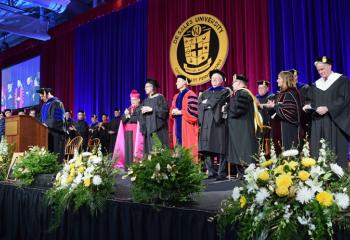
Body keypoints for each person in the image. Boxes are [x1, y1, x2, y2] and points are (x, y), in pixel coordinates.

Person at [304, 56, 350, 168]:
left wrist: (328, 108)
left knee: (335, 151)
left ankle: (338, 180)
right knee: (319, 150)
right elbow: (311, 100)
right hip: (319, 122)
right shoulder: (315, 85)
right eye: (319, 70)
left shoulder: (341, 80)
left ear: (330, 66)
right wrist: (308, 106)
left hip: (335, 122)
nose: (320, 72)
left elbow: (345, 100)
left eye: (322, 69)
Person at [198, 69, 230, 180]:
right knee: (206, 148)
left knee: (221, 147)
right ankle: (211, 172)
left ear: (221, 81)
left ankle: (221, 172)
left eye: (216, 79)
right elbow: (200, 105)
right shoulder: (206, 92)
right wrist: (208, 104)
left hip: (218, 123)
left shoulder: (225, 91)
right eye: (212, 79)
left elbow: (218, 102)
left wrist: (207, 103)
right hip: (206, 123)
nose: (214, 81)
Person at [226, 74, 260, 178]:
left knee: (244, 152)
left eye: (234, 82)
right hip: (240, 129)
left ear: (239, 83)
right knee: (241, 152)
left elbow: (237, 110)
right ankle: (243, 175)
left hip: (242, 129)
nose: (232, 84)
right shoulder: (241, 94)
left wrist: (227, 107)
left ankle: (245, 175)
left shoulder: (243, 93)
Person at [265, 71, 303, 153]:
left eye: (279, 78)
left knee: (289, 158)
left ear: (285, 80)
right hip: (280, 130)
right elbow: (278, 111)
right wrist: (271, 108)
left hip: (288, 131)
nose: (277, 80)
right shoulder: (281, 94)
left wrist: (274, 106)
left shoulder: (291, 93)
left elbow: (291, 113)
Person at [170, 75, 199, 162]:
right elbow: (172, 108)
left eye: (178, 81)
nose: (176, 83)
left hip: (187, 125)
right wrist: (173, 112)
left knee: (188, 147)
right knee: (178, 146)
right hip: (177, 125)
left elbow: (194, 112)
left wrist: (181, 112)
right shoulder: (176, 96)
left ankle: (190, 170)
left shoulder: (191, 94)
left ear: (184, 82)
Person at [114, 89, 143, 168]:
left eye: (134, 100)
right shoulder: (129, 109)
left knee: (135, 147)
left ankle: (136, 164)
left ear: (138, 100)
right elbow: (122, 120)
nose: (132, 102)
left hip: (136, 131)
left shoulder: (141, 108)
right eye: (131, 100)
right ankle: (128, 164)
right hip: (128, 131)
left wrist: (129, 117)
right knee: (128, 147)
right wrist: (126, 115)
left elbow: (138, 119)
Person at [139, 79, 169, 155]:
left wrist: (152, 109)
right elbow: (140, 116)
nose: (145, 88)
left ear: (152, 88)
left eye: (147, 87)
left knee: (159, 149)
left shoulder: (160, 98)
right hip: (148, 130)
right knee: (149, 152)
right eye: (145, 87)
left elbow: (164, 111)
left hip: (158, 130)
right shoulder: (145, 101)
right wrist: (141, 112)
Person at [37, 88, 65, 162]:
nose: (41, 98)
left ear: (47, 94)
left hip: (56, 134)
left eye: (42, 96)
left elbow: (58, 119)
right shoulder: (44, 105)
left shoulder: (57, 103)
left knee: (56, 157)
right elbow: (40, 119)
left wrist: (45, 124)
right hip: (46, 134)